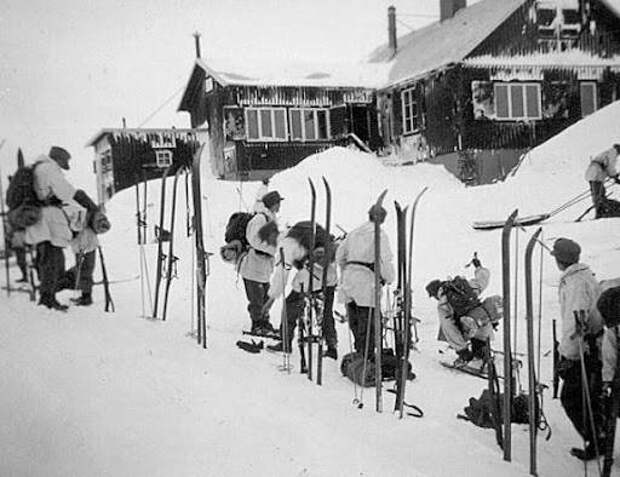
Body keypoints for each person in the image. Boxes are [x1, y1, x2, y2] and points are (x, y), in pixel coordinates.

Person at [24, 146, 99, 311]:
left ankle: (47, 296)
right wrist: (87, 203)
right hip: (49, 221)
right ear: (59, 159)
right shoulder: (50, 169)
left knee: (49, 259)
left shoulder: (39, 167)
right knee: (54, 260)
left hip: (42, 220)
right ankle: (48, 298)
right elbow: (66, 192)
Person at [551, 237, 605, 460]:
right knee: (588, 396)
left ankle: (597, 440)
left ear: (561, 260)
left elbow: (575, 322)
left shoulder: (575, 283)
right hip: (592, 345)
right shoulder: (582, 276)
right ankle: (599, 436)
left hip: (584, 349)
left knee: (572, 398)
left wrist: (568, 354)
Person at [262, 221, 339, 359]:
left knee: (291, 306)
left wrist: (271, 298)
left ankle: (285, 343)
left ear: (271, 236)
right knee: (325, 310)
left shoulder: (286, 244)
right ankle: (332, 346)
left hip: (312, 274)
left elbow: (282, 273)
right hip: (329, 273)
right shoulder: (297, 234)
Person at [336, 203, 395, 361]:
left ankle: (360, 349)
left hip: (349, 279)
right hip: (366, 280)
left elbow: (340, 255)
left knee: (354, 317)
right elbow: (384, 259)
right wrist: (389, 277)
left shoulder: (354, 233)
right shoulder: (379, 235)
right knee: (368, 320)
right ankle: (366, 355)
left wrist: (347, 270)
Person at [426, 256, 493, 367]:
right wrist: (478, 267)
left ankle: (466, 356)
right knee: (476, 318)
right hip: (483, 322)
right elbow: (483, 280)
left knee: (446, 326)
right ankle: (481, 350)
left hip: (469, 326)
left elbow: (449, 328)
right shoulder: (464, 287)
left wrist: (461, 349)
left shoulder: (443, 304)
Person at [239, 190, 282, 335]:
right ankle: (257, 324)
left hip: (263, 266)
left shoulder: (269, 218)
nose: (279, 206)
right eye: (278, 203)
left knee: (265, 296)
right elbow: (254, 240)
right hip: (254, 264)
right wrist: (272, 248)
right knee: (256, 298)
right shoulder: (260, 219)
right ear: (273, 204)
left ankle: (264, 323)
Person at [585, 144, 620, 219]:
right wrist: (614, 177)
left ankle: (600, 211)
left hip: (593, 173)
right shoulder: (613, 153)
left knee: (596, 193)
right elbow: (610, 166)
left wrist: (613, 176)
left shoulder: (608, 152)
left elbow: (606, 165)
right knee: (599, 193)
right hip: (597, 173)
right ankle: (601, 212)